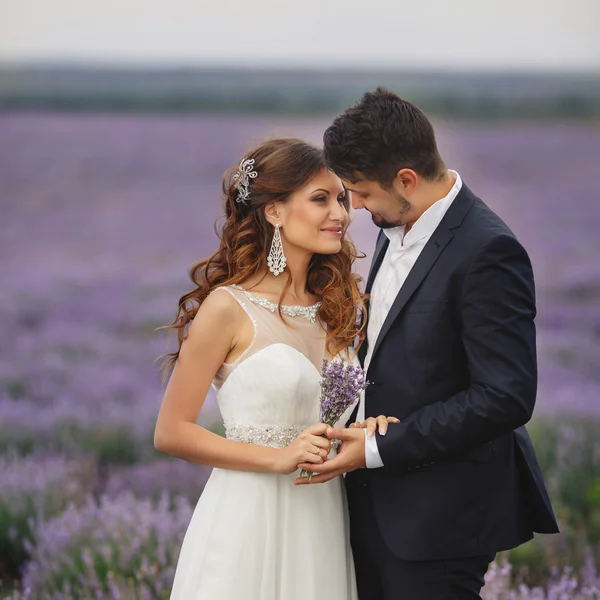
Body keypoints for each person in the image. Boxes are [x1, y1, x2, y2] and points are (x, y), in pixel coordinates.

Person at [296, 89, 560, 599]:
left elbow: (505, 397)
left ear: (407, 181)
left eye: (363, 193)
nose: (355, 208)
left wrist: (376, 448)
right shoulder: (395, 222)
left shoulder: (489, 251)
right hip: (368, 504)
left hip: (440, 518)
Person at [154, 138, 391, 599]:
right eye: (320, 199)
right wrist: (279, 458)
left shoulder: (336, 309)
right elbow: (171, 431)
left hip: (322, 517)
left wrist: (367, 428)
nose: (340, 213)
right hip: (249, 518)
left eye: (342, 198)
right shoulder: (227, 307)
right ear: (274, 212)